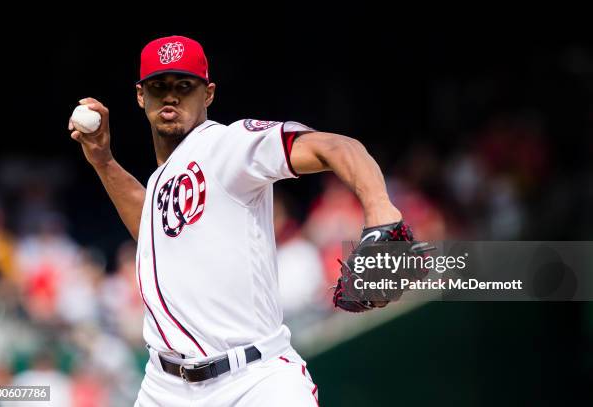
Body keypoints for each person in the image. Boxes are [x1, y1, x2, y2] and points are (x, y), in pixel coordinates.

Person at [69, 35, 410, 406]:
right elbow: (152, 231)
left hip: (253, 380)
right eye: (159, 86)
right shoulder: (161, 179)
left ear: (208, 94)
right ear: (141, 96)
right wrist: (103, 161)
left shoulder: (229, 146)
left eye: (185, 86)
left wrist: (380, 210)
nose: (171, 96)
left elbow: (337, 147)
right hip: (165, 388)